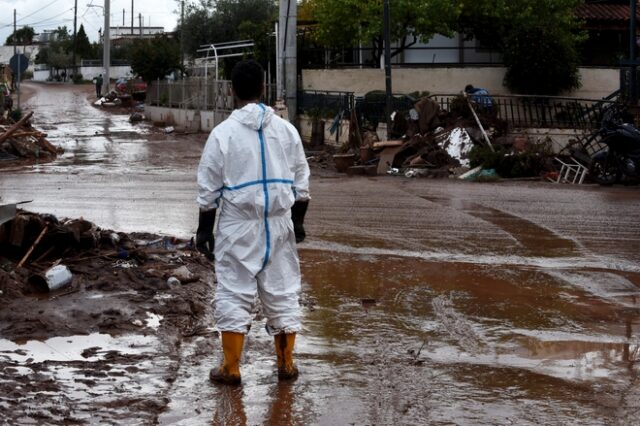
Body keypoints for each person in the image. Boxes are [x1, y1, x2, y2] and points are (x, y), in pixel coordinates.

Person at [196, 60, 310, 385]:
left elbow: (208, 187)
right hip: (279, 225)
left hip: (236, 227)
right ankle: (286, 365)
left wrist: (204, 230)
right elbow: (302, 182)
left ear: (231, 91)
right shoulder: (287, 131)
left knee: (233, 291)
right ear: (264, 88)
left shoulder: (223, 134)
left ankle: (231, 368)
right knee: (283, 291)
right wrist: (297, 223)